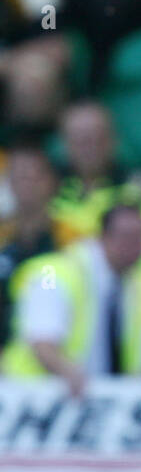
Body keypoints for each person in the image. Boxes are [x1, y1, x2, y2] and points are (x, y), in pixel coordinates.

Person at [1, 203, 141, 392]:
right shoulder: (56, 274)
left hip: (108, 400)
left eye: (138, 237)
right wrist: (70, 373)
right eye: (125, 236)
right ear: (102, 238)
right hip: (30, 395)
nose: (132, 245)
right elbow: (42, 341)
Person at [50, 99, 141, 244]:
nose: (89, 148)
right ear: (64, 143)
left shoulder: (140, 188)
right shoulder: (48, 188)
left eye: (97, 138)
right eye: (80, 140)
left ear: (114, 139)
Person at [0, 139, 58, 349]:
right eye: (19, 177)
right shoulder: (2, 238)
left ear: (51, 181)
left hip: (55, 358)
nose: (27, 184)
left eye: (34, 176)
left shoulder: (71, 237)